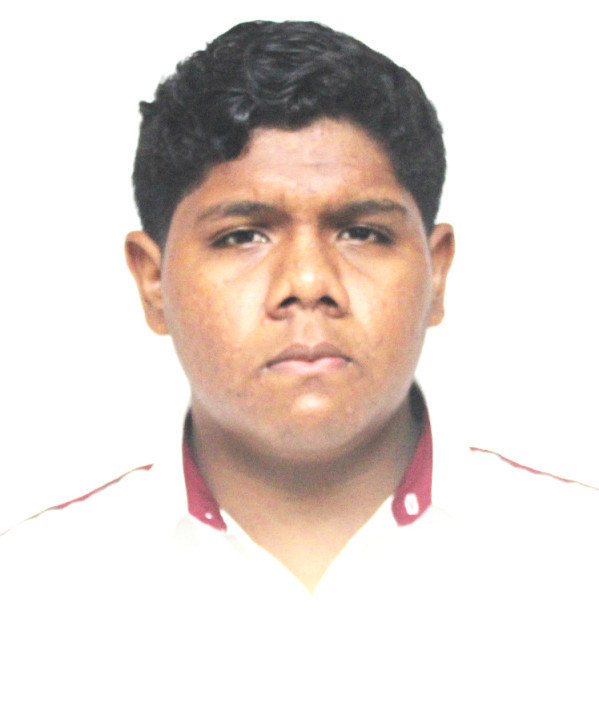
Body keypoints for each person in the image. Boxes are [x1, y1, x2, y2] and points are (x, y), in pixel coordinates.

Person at [2, 20, 597, 719]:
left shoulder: (576, 564)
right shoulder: (29, 598)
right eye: (242, 236)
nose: (309, 282)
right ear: (152, 281)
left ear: (436, 274)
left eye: (362, 232)